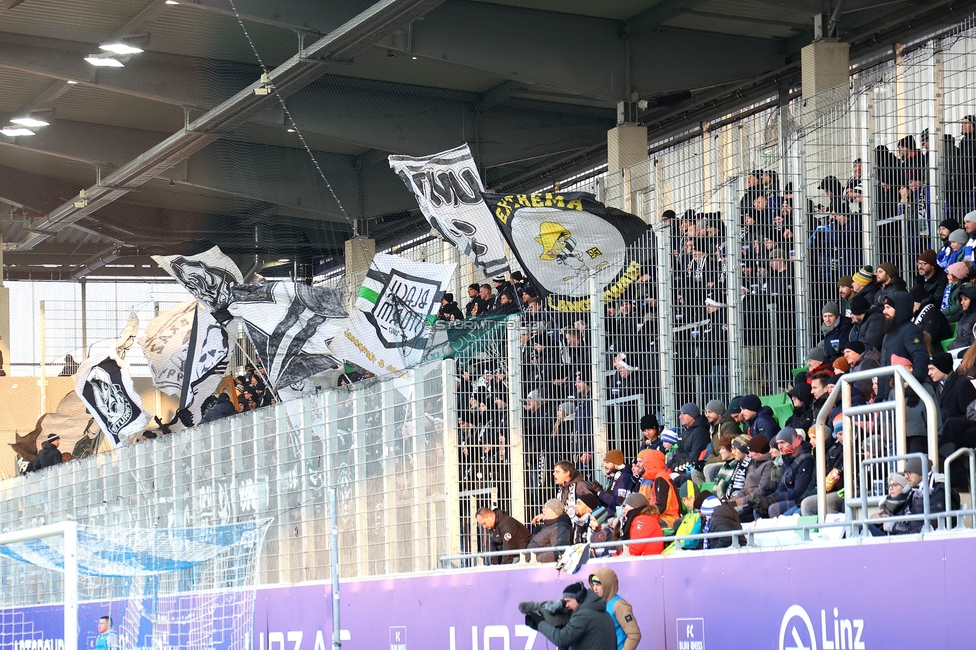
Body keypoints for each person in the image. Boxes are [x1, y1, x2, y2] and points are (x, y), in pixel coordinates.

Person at [525, 581, 616, 650]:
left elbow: (561, 640)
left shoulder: (583, 616)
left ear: (579, 598)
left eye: (568, 601)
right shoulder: (604, 614)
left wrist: (540, 623)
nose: (566, 605)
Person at [588, 569, 641, 650]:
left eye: (598, 584)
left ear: (608, 585)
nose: (594, 589)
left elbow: (634, 634)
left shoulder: (619, 605)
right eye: (593, 585)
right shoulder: (599, 605)